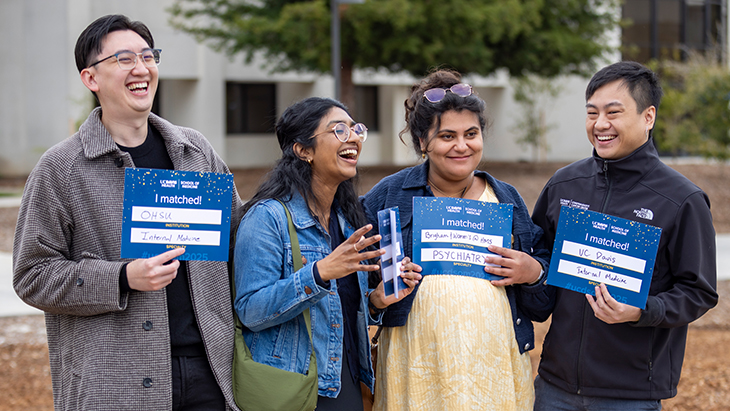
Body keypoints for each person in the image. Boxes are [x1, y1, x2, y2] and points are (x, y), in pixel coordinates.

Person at [13, 14, 244, 410]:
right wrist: (123, 276)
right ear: (91, 78)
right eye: (123, 59)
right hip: (114, 382)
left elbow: (240, 237)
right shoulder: (61, 168)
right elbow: (32, 275)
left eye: (148, 56)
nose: (141, 69)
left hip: (210, 374)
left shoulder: (195, 152)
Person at [361, 69, 553, 411]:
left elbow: (542, 303)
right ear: (423, 142)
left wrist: (533, 272)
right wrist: (375, 300)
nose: (462, 146)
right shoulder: (388, 196)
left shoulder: (505, 199)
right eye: (447, 135)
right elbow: (348, 283)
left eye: (471, 134)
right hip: (416, 365)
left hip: (494, 365)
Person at [531, 61, 718, 410]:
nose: (600, 124)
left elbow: (699, 291)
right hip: (554, 385)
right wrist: (530, 274)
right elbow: (540, 263)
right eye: (592, 113)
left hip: (630, 394)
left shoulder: (681, 199)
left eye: (613, 112)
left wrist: (642, 310)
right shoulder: (564, 184)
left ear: (648, 116)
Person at [233, 97, 418, 410]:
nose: (354, 138)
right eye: (339, 131)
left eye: (356, 130)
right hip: (291, 388)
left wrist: (377, 301)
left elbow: (338, 314)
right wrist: (318, 273)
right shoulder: (268, 218)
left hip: (343, 383)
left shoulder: (346, 222)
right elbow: (250, 310)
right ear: (303, 150)